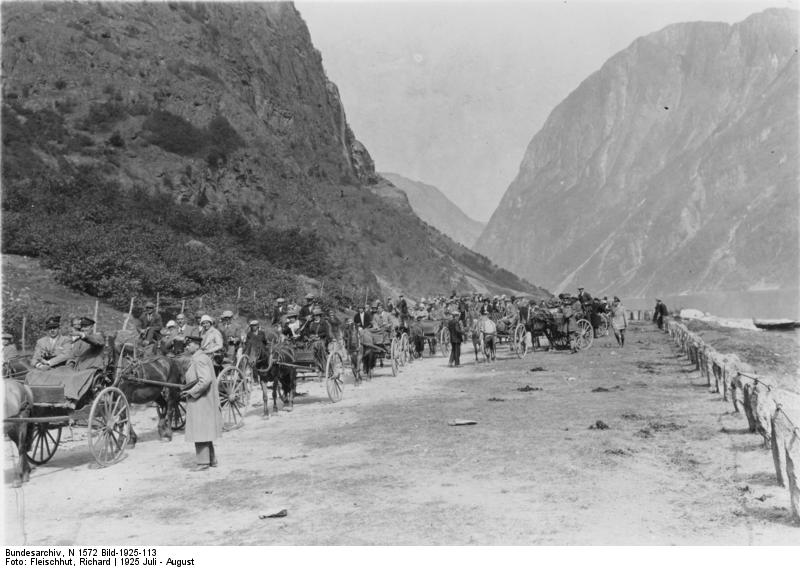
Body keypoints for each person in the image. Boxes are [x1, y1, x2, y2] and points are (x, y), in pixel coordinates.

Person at [181, 335, 222, 472]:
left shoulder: (199, 360)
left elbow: (205, 381)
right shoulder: (200, 358)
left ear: (197, 346)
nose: (186, 347)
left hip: (201, 400)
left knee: (199, 430)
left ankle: (203, 462)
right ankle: (211, 459)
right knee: (204, 429)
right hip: (203, 400)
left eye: (189, 344)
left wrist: (191, 392)